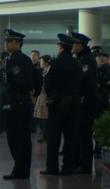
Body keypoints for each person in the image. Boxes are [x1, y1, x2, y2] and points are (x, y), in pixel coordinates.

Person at [40, 34, 82, 176]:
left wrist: (52, 96)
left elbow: (48, 83)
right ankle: (68, 168)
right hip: (74, 104)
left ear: (61, 47)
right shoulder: (77, 63)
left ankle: (52, 167)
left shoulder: (56, 63)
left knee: (54, 137)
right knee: (70, 137)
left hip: (57, 104)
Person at [2, 29, 34, 180]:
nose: (6, 43)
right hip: (21, 102)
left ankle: (20, 170)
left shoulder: (16, 60)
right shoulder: (24, 59)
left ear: (17, 43)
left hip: (17, 103)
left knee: (16, 138)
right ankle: (21, 169)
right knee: (22, 138)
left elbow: (20, 81)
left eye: (9, 41)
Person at [71, 32, 99, 174]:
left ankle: (86, 165)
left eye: (74, 44)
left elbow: (85, 82)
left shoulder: (87, 60)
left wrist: (80, 96)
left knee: (85, 135)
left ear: (80, 45)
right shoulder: (81, 58)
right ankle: (79, 163)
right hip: (81, 102)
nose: (72, 46)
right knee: (79, 134)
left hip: (86, 102)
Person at [33, 55, 52, 143]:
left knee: (46, 117)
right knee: (41, 117)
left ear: (46, 62)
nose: (40, 63)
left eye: (41, 61)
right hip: (41, 95)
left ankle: (47, 136)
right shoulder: (43, 71)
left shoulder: (50, 71)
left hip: (46, 96)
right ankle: (45, 135)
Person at [0, 52, 9, 134]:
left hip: (7, 95)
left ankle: (5, 128)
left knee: (7, 110)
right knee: (0, 112)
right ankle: (0, 128)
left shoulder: (9, 69)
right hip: (1, 95)